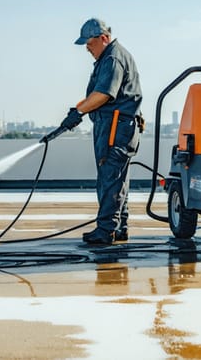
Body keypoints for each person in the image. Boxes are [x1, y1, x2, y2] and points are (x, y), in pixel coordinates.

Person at [57, 17, 143, 245]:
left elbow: (104, 94)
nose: (87, 48)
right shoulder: (112, 55)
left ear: (104, 38)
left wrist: (78, 111)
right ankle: (118, 227)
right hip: (118, 125)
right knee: (117, 178)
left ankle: (106, 230)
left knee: (109, 178)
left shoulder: (113, 57)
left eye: (90, 43)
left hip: (115, 126)